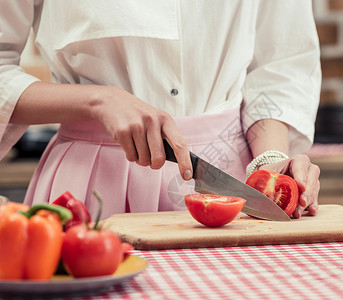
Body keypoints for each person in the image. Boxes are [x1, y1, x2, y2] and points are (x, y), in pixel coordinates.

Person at [0, 0, 321, 220]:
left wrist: (269, 164)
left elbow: (280, 62)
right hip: (92, 186)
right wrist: (98, 101)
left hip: (231, 184)